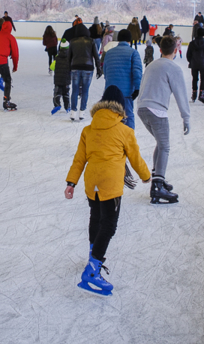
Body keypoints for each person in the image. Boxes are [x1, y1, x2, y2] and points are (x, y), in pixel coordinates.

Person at [64, 85, 151, 296]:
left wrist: (71, 183)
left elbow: (79, 159)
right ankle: (93, 270)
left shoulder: (88, 130)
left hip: (91, 182)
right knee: (109, 225)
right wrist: (146, 176)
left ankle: (93, 255)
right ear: (120, 108)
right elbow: (135, 158)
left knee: (95, 218)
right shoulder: (125, 131)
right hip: (110, 184)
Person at [136, 36, 189, 205]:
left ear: (160, 50)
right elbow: (181, 94)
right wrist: (186, 117)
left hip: (142, 109)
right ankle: (157, 187)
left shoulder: (151, 65)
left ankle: (158, 179)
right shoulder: (174, 68)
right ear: (176, 50)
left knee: (160, 143)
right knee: (165, 146)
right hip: (157, 110)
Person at [102, 29, 143, 129]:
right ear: (130, 40)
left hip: (110, 92)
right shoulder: (133, 53)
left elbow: (105, 71)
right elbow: (137, 72)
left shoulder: (109, 53)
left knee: (111, 119)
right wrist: (138, 89)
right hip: (126, 93)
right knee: (127, 118)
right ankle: (128, 138)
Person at [68, 23, 102, 122]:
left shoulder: (72, 41)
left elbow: (69, 57)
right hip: (88, 68)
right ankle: (82, 112)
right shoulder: (91, 41)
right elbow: (96, 56)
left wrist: (68, 69)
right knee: (85, 91)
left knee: (75, 90)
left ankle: (73, 112)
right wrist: (99, 69)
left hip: (75, 67)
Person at [0, 18, 19, 111]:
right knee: (7, 80)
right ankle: (6, 101)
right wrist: (15, 66)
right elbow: (15, 54)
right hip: (1, 62)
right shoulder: (10, 37)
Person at [186, 28, 204, 105]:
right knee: (203, 79)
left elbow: (188, 55)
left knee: (195, 79)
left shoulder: (192, 43)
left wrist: (191, 61)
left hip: (194, 64)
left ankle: (194, 93)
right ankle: (202, 93)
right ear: (203, 35)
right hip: (203, 64)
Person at [51, 40, 71, 115]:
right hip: (66, 80)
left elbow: (52, 67)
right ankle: (67, 107)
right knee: (66, 94)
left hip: (58, 80)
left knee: (57, 93)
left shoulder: (57, 57)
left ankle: (57, 105)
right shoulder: (69, 58)